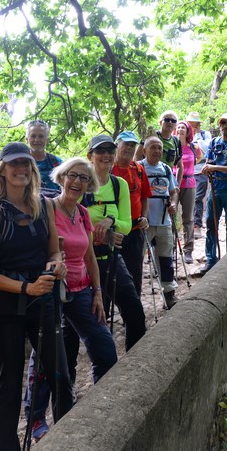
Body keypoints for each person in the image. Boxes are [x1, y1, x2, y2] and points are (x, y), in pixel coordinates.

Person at [0, 142, 74, 451]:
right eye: (13, 164)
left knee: (60, 373)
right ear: (2, 170)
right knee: (10, 381)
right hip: (7, 307)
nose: (20, 168)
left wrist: (57, 265)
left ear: (32, 169)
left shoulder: (43, 206)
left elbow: (54, 251)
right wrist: (25, 287)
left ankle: (69, 445)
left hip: (42, 298)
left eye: (25, 164)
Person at [22, 157, 119, 441]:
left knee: (105, 349)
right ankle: (36, 417)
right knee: (45, 355)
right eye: (72, 176)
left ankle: (99, 406)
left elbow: (89, 255)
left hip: (80, 291)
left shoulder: (83, 214)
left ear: (90, 185)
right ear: (61, 177)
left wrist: (98, 293)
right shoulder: (47, 207)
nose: (77, 182)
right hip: (50, 290)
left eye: (84, 178)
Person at [86, 134, 147, 349]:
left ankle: (135, 362)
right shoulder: (78, 183)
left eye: (110, 151)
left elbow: (126, 225)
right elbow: (68, 225)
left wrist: (110, 222)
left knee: (135, 311)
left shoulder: (118, 185)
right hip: (81, 264)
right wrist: (97, 233)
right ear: (90, 156)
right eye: (100, 151)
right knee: (77, 326)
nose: (106, 155)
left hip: (110, 258)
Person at [197, 113, 227, 276]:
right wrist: (207, 168)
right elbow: (209, 162)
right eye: (223, 122)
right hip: (215, 188)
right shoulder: (214, 142)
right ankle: (211, 261)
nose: (225, 126)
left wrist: (215, 168)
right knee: (211, 225)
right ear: (219, 124)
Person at [139, 137, 179, 308]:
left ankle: (169, 293)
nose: (157, 151)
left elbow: (173, 191)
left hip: (164, 220)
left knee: (165, 258)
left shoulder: (166, 169)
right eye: (153, 147)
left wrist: (174, 203)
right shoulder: (138, 168)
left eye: (159, 148)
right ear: (144, 150)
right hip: (143, 222)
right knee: (137, 259)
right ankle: (134, 296)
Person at [111, 130, 151, 295]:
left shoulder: (139, 169)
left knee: (135, 273)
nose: (129, 148)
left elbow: (144, 198)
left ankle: (133, 314)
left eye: (132, 145)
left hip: (135, 231)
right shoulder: (107, 168)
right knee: (112, 275)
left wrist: (144, 217)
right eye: (126, 144)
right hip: (112, 233)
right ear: (117, 145)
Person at [174, 121, 201, 264]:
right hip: (173, 184)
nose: (180, 129)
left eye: (183, 127)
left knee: (188, 218)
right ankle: (170, 249)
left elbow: (199, 158)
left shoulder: (193, 147)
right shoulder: (171, 146)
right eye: (178, 127)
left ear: (188, 130)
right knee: (170, 217)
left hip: (189, 184)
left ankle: (188, 250)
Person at [188, 112, 211, 239]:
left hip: (201, 170)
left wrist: (197, 135)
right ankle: (189, 223)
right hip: (188, 171)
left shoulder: (205, 134)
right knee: (189, 198)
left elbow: (206, 149)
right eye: (190, 124)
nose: (192, 126)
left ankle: (197, 225)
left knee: (198, 198)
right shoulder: (184, 133)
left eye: (194, 124)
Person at [25, 119, 63, 192]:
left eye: (41, 136)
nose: (37, 140)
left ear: (47, 140)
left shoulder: (57, 163)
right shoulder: (21, 162)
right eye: (33, 136)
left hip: (54, 201)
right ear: (26, 139)